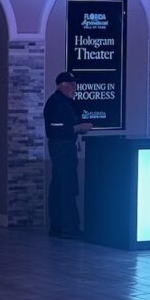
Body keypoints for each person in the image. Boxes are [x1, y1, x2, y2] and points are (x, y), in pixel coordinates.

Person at [43, 71, 92, 238]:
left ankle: (58, 226)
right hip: (62, 148)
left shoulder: (64, 102)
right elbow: (54, 130)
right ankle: (69, 228)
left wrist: (77, 129)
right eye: (72, 84)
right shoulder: (56, 103)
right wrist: (78, 128)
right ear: (62, 85)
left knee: (60, 185)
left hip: (64, 147)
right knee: (67, 187)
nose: (75, 87)